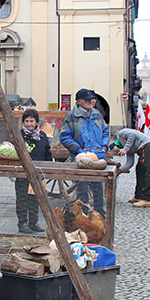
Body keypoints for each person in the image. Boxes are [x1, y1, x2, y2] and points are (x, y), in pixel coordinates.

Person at [58, 88, 110, 218]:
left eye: (92, 99)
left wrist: (103, 148)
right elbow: (64, 136)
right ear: (79, 101)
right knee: (82, 191)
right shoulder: (71, 116)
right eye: (87, 100)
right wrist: (79, 151)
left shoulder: (97, 114)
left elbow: (105, 131)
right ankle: (82, 217)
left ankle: (99, 217)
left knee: (98, 190)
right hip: (80, 160)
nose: (91, 102)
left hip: (97, 158)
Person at [13, 108, 52, 233]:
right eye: (27, 121)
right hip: (22, 172)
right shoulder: (19, 135)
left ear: (36, 122)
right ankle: (22, 223)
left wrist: (48, 169)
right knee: (22, 198)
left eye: (32, 121)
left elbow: (47, 153)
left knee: (35, 198)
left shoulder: (42, 136)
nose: (29, 124)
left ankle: (33, 222)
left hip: (37, 172)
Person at [115, 125, 150, 208]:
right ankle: (138, 196)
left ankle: (145, 199)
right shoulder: (128, 147)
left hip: (148, 146)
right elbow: (129, 163)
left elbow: (132, 134)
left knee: (145, 172)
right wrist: (119, 170)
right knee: (139, 170)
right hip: (143, 149)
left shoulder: (121, 133)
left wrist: (125, 149)